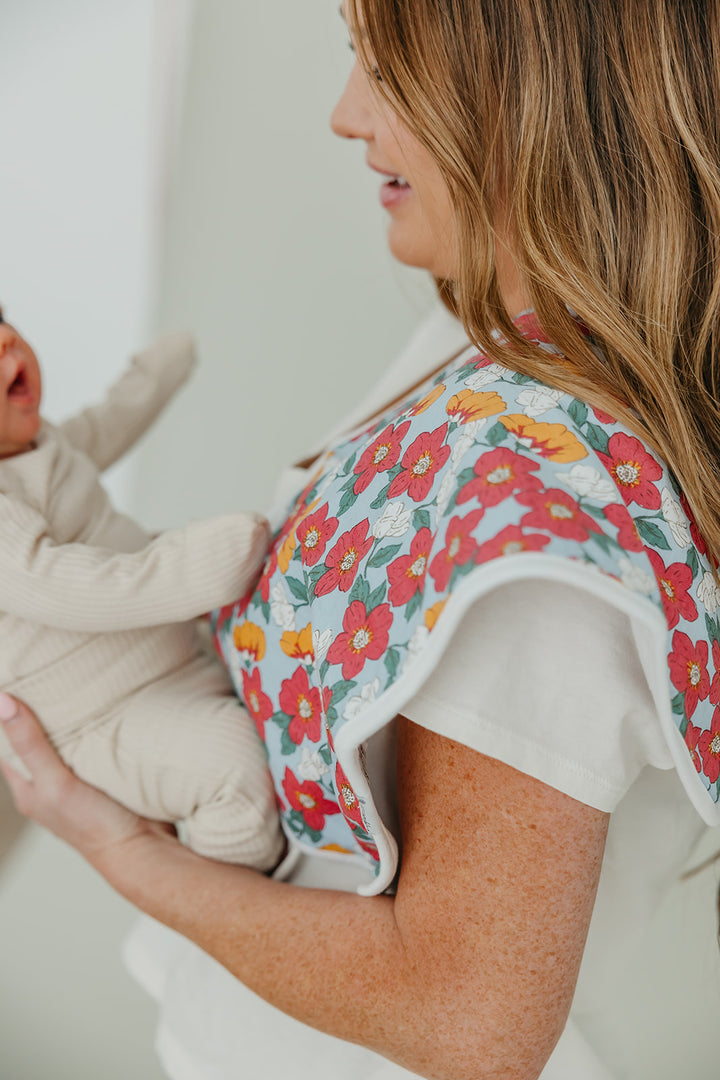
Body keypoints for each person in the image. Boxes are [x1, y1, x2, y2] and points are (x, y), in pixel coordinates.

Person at [1, 2, 719, 1078]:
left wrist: (118, 847)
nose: (345, 116)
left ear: (536, 103)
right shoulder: (481, 347)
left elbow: (465, 1022)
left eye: (389, 71)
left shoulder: (543, 525)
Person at [0, 316, 282, 869]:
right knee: (232, 768)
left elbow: (106, 425)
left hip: (173, 657)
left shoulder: (38, 444)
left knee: (274, 689)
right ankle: (229, 906)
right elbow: (63, 586)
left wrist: (153, 376)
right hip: (100, 718)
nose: (7, 340)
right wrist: (192, 569)